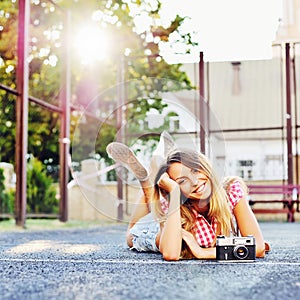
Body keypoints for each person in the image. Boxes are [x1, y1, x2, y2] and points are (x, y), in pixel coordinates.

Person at [106, 135, 269, 261]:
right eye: (182, 181)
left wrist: (202, 252)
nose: (195, 182)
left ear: (205, 166)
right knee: (131, 235)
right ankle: (146, 182)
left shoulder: (231, 190)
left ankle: (152, 180)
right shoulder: (173, 202)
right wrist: (175, 192)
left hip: (187, 229)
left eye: (195, 170)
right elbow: (170, 253)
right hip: (170, 225)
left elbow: (259, 248)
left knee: (155, 202)